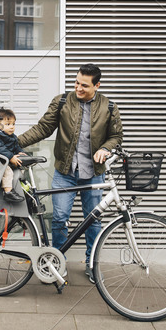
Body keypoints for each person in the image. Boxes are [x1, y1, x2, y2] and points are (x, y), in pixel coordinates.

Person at [18, 63, 123, 282]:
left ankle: (91, 264)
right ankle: (57, 263)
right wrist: (15, 143)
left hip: (94, 173)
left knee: (93, 221)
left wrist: (105, 149)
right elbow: (42, 129)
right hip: (65, 171)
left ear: (97, 85)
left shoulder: (109, 107)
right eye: (76, 82)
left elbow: (116, 136)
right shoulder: (62, 102)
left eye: (84, 85)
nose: (79, 88)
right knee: (59, 219)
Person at [0, 107, 27, 204]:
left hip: (5, 160)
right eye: (8, 124)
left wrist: (19, 152)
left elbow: (16, 146)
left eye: (13, 124)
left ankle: (19, 186)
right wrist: (11, 157)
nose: (12, 127)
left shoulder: (10, 136)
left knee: (21, 167)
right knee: (8, 172)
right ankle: (8, 192)